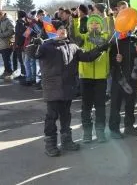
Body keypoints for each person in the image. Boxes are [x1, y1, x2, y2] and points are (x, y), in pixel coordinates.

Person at [25, 20, 109, 157]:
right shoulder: (46, 45)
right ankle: (50, 144)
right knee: (51, 116)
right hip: (52, 87)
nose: (62, 30)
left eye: (64, 28)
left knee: (66, 116)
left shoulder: (73, 46)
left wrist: (100, 49)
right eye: (59, 28)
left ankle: (66, 141)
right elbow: (32, 54)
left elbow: (86, 57)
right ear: (53, 31)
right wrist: (35, 45)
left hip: (68, 87)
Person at [70, 14, 113, 143]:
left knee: (100, 107)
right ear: (88, 26)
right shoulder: (83, 38)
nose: (94, 25)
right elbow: (72, 35)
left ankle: (100, 133)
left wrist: (110, 18)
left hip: (101, 78)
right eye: (92, 24)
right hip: (85, 77)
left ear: (101, 26)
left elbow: (112, 32)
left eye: (97, 24)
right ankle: (87, 133)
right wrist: (75, 19)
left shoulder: (105, 38)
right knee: (86, 107)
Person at [109, 28, 137, 139]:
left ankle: (129, 126)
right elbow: (109, 61)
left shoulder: (136, 40)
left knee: (130, 103)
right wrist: (116, 60)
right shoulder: (115, 41)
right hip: (119, 78)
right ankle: (114, 129)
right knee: (115, 104)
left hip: (132, 78)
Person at [0, 11, 15, 79]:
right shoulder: (2, 20)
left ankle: (9, 72)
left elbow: (12, 31)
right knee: (5, 58)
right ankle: (7, 71)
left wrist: (2, 35)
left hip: (7, 43)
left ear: (1, 15)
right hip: (2, 43)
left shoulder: (8, 20)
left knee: (6, 58)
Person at [13, 10, 27, 79]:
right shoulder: (22, 22)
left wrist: (18, 44)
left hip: (20, 45)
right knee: (21, 60)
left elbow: (20, 35)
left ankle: (23, 74)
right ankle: (23, 73)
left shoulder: (20, 23)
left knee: (21, 60)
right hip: (20, 44)